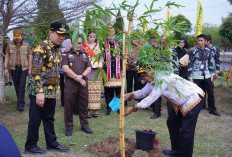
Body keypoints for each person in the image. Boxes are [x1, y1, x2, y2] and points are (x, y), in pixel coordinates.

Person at [124, 69, 205, 157]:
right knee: (172, 122)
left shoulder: (162, 78)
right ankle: (176, 150)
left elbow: (152, 97)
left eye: (146, 75)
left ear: (153, 71)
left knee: (186, 130)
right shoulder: (152, 81)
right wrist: (131, 94)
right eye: (143, 77)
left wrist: (133, 108)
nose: (146, 78)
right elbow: (143, 92)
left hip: (193, 98)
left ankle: (185, 155)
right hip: (181, 102)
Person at [25, 22, 69, 154]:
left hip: (51, 90)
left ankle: (52, 143)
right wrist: (39, 92)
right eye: (59, 34)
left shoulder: (57, 49)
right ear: (51, 32)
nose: (61, 37)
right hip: (38, 91)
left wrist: (57, 89)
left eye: (63, 35)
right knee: (36, 118)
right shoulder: (40, 47)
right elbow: (35, 71)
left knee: (49, 118)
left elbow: (55, 71)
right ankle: (30, 146)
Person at [62, 36, 93, 136]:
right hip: (70, 83)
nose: (79, 45)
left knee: (83, 105)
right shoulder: (66, 53)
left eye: (80, 43)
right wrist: (77, 78)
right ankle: (69, 127)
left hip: (83, 83)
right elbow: (65, 68)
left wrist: (82, 76)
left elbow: (89, 68)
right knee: (69, 105)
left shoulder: (85, 54)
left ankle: (85, 126)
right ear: (71, 43)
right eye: (77, 43)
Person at [188, 34, 221, 117]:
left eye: (201, 40)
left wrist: (212, 73)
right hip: (196, 75)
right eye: (198, 40)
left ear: (205, 41)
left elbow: (211, 62)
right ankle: (193, 109)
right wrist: (190, 76)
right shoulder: (193, 51)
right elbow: (190, 64)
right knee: (195, 93)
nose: (199, 42)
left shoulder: (208, 51)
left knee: (210, 92)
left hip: (207, 75)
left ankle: (212, 109)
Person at [4, 29, 32, 111]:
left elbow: (29, 56)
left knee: (21, 86)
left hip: (24, 68)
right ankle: (20, 101)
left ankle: (20, 105)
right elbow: (7, 56)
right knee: (16, 86)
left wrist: (30, 69)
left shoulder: (27, 45)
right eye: (15, 37)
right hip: (13, 68)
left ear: (21, 36)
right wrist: (6, 68)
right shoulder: (10, 45)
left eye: (18, 37)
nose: (17, 39)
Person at [82, 31, 104, 118]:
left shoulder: (98, 45)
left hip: (96, 71)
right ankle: (87, 110)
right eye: (90, 37)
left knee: (96, 91)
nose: (92, 39)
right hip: (87, 70)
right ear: (87, 37)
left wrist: (101, 61)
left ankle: (95, 109)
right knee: (87, 91)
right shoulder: (84, 46)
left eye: (94, 37)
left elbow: (101, 56)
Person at [103, 26, 122, 116]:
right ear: (107, 36)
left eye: (112, 35)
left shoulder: (119, 45)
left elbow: (122, 58)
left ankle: (118, 107)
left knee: (118, 90)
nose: (111, 37)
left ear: (114, 36)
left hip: (118, 71)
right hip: (107, 71)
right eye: (109, 35)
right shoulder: (103, 45)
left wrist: (122, 69)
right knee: (108, 91)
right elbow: (101, 59)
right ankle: (109, 107)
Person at [60, 39, 72, 107]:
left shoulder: (61, 50)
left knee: (63, 88)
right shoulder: (66, 52)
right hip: (65, 72)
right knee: (66, 87)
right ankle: (65, 102)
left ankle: (63, 103)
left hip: (61, 72)